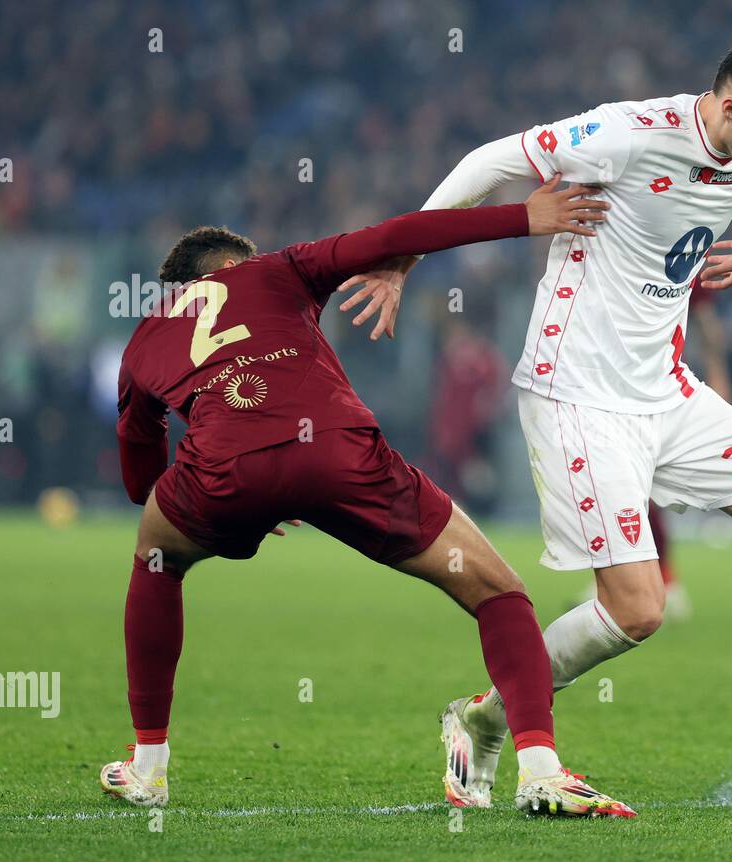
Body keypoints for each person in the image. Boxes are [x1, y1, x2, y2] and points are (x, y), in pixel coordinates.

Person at [341, 36, 732, 807]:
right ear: (729, 106)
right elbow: (491, 161)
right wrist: (404, 254)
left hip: (665, 390)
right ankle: (485, 719)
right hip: (579, 399)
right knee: (638, 608)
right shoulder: (626, 133)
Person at [102, 177, 635, 818]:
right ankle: (541, 768)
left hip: (221, 474)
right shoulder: (279, 268)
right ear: (234, 268)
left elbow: (139, 481)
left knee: (156, 554)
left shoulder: (143, 340)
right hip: (339, 452)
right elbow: (397, 235)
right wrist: (526, 216)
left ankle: (148, 766)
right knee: (499, 592)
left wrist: (238, 494)